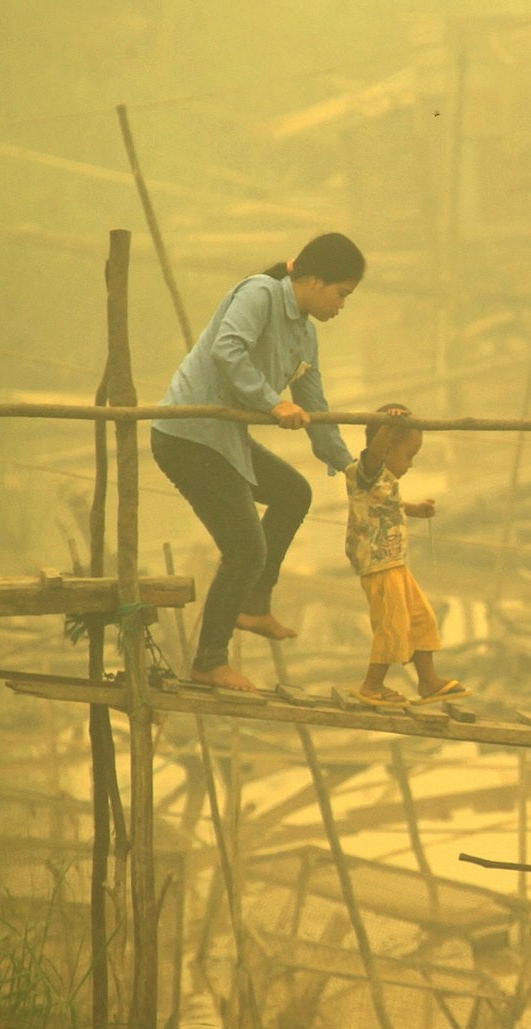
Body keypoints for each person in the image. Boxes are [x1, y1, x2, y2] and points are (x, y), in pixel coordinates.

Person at [152, 232, 364, 693]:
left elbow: (314, 404)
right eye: (342, 294)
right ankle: (209, 660)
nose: (342, 306)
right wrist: (272, 403)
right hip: (187, 436)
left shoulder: (305, 335)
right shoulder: (260, 294)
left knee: (294, 493)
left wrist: (348, 466)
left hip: (223, 439)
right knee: (246, 547)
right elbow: (226, 350)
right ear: (312, 280)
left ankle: (253, 602)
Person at [345, 403, 467, 707]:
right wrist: (388, 426)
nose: (410, 465)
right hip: (378, 565)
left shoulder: (385, 481)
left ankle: (428, 682)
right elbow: (373, 454)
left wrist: (414, 510)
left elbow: (387, 506)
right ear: (386, 449)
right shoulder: (367, 472)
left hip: (395, 563)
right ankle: (372, 686)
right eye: (409, 456)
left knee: (421, 618)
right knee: (392, 623)